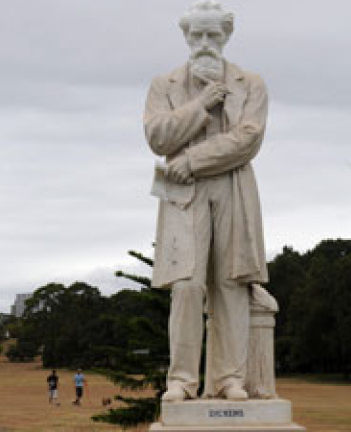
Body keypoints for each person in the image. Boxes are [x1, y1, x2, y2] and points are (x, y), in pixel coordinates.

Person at [143, 0, 269, 402]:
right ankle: (181, 380)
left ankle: (229, 378)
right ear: (185, 36)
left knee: (231, 284)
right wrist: (200, 105)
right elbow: (158, 137)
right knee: (186, 285)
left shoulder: (251, 83)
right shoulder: (164, 85)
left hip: (232, 186)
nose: (204, 42)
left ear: (226, 35)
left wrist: (192, 160)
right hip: (183, 195)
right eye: (196, 34)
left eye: (212, 34)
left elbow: (248, 139)